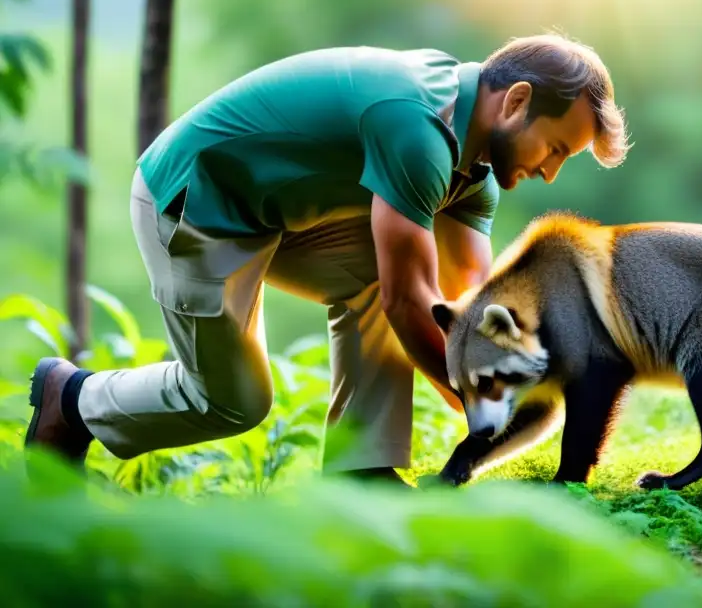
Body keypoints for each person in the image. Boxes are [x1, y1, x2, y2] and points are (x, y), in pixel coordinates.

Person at [23, 33, 630, 485]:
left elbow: (467, 305)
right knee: (232, 401)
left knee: (394, 276)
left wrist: (513, 373)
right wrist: (481, 401)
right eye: (554, 148)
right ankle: (71, 398)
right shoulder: (419, 127)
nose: (550, 173)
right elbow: (405, 300)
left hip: (279, 218)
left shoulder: (477, 171)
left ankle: (360, 471)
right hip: (192, 202)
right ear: (516, 101)